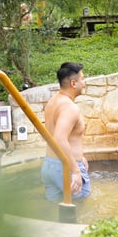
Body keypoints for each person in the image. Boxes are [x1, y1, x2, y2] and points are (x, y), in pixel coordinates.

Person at [41, 62, 91, 202]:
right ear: (74, 83)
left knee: (54, 211)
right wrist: (75, 170)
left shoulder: (53, 101)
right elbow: (60, 139)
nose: (84, 82)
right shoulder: (69, 107)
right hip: (64, 167)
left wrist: (80, 157)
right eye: (82, 79)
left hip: (49, 166)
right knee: (82, 208)